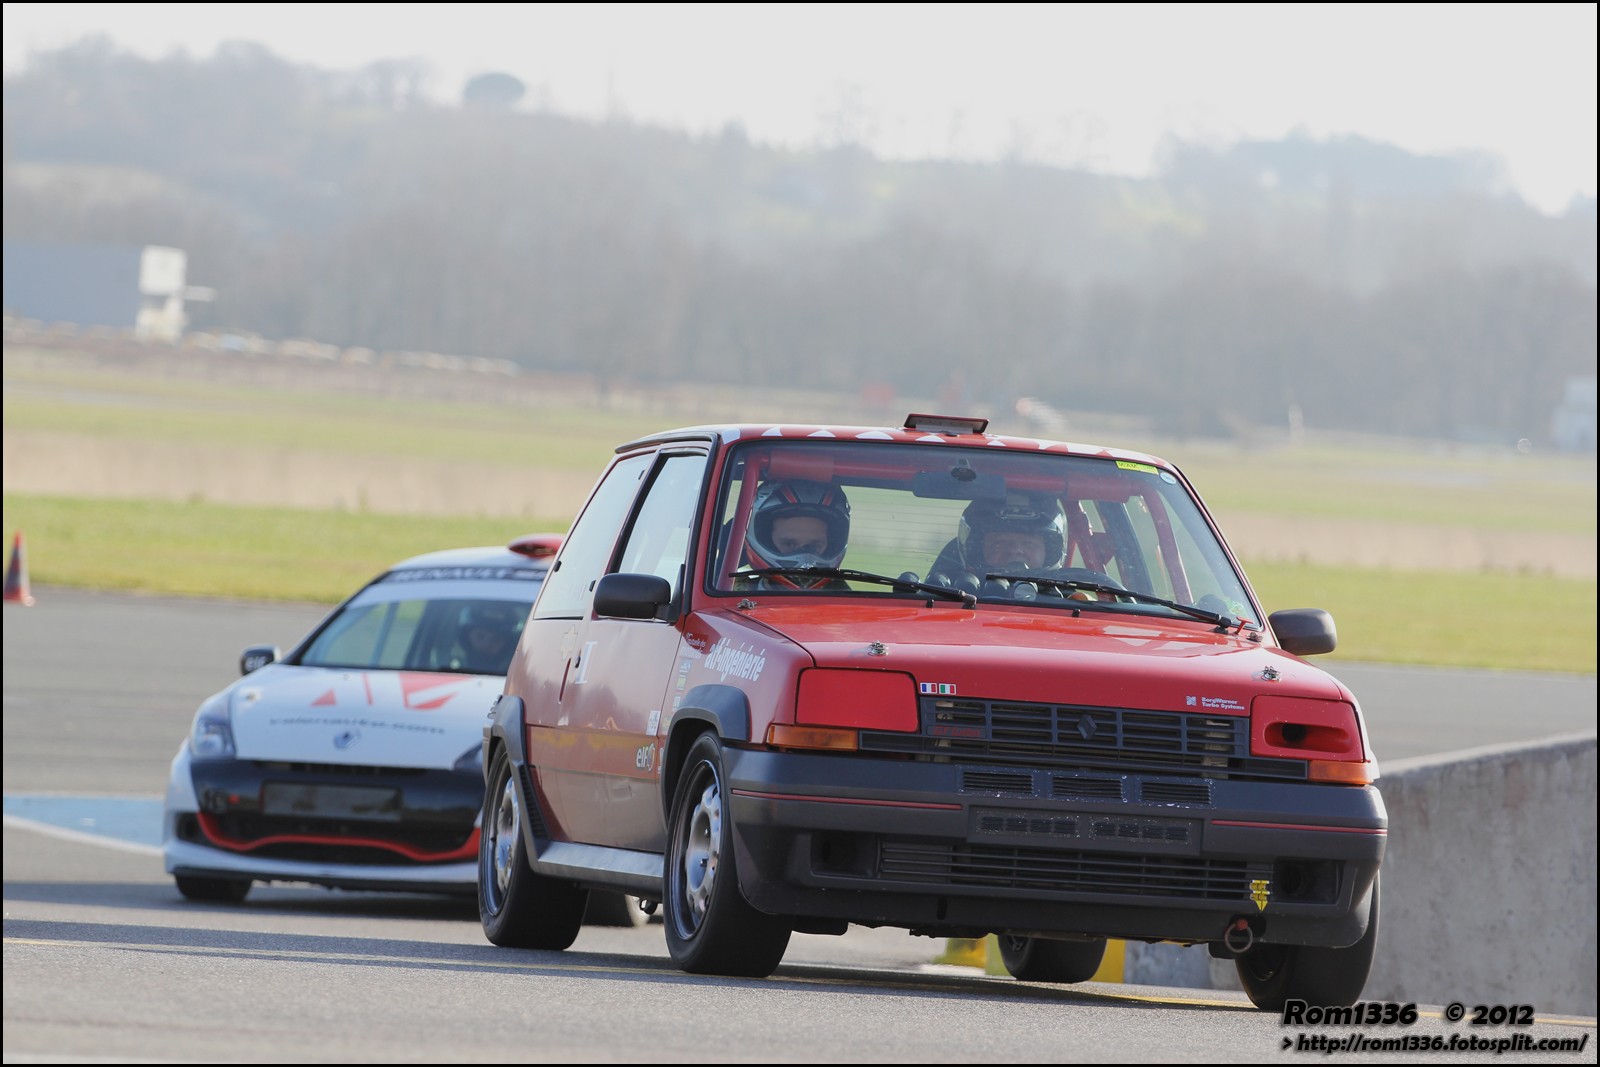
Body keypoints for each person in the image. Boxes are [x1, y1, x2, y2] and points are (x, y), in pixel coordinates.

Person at [738, 478, 852, 590]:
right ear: (765, 539)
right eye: (789, 544)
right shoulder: (728, 596)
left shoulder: (852, 604)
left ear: (831, 544)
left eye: (814, 546)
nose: (805, 561)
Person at [926, 491, 1066, 581]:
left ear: (1049, 551)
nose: (1015, 550)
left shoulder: (1073, 605)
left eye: (1029, 543)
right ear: (978, 551)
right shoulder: (944, 599)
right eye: (1000, 543)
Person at [456, 601, 523, 674]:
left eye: (495, 640)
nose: (486, 645)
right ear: (467, 637)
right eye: (480, 636)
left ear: (506, 646)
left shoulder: (516, 677)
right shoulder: (448, 668)